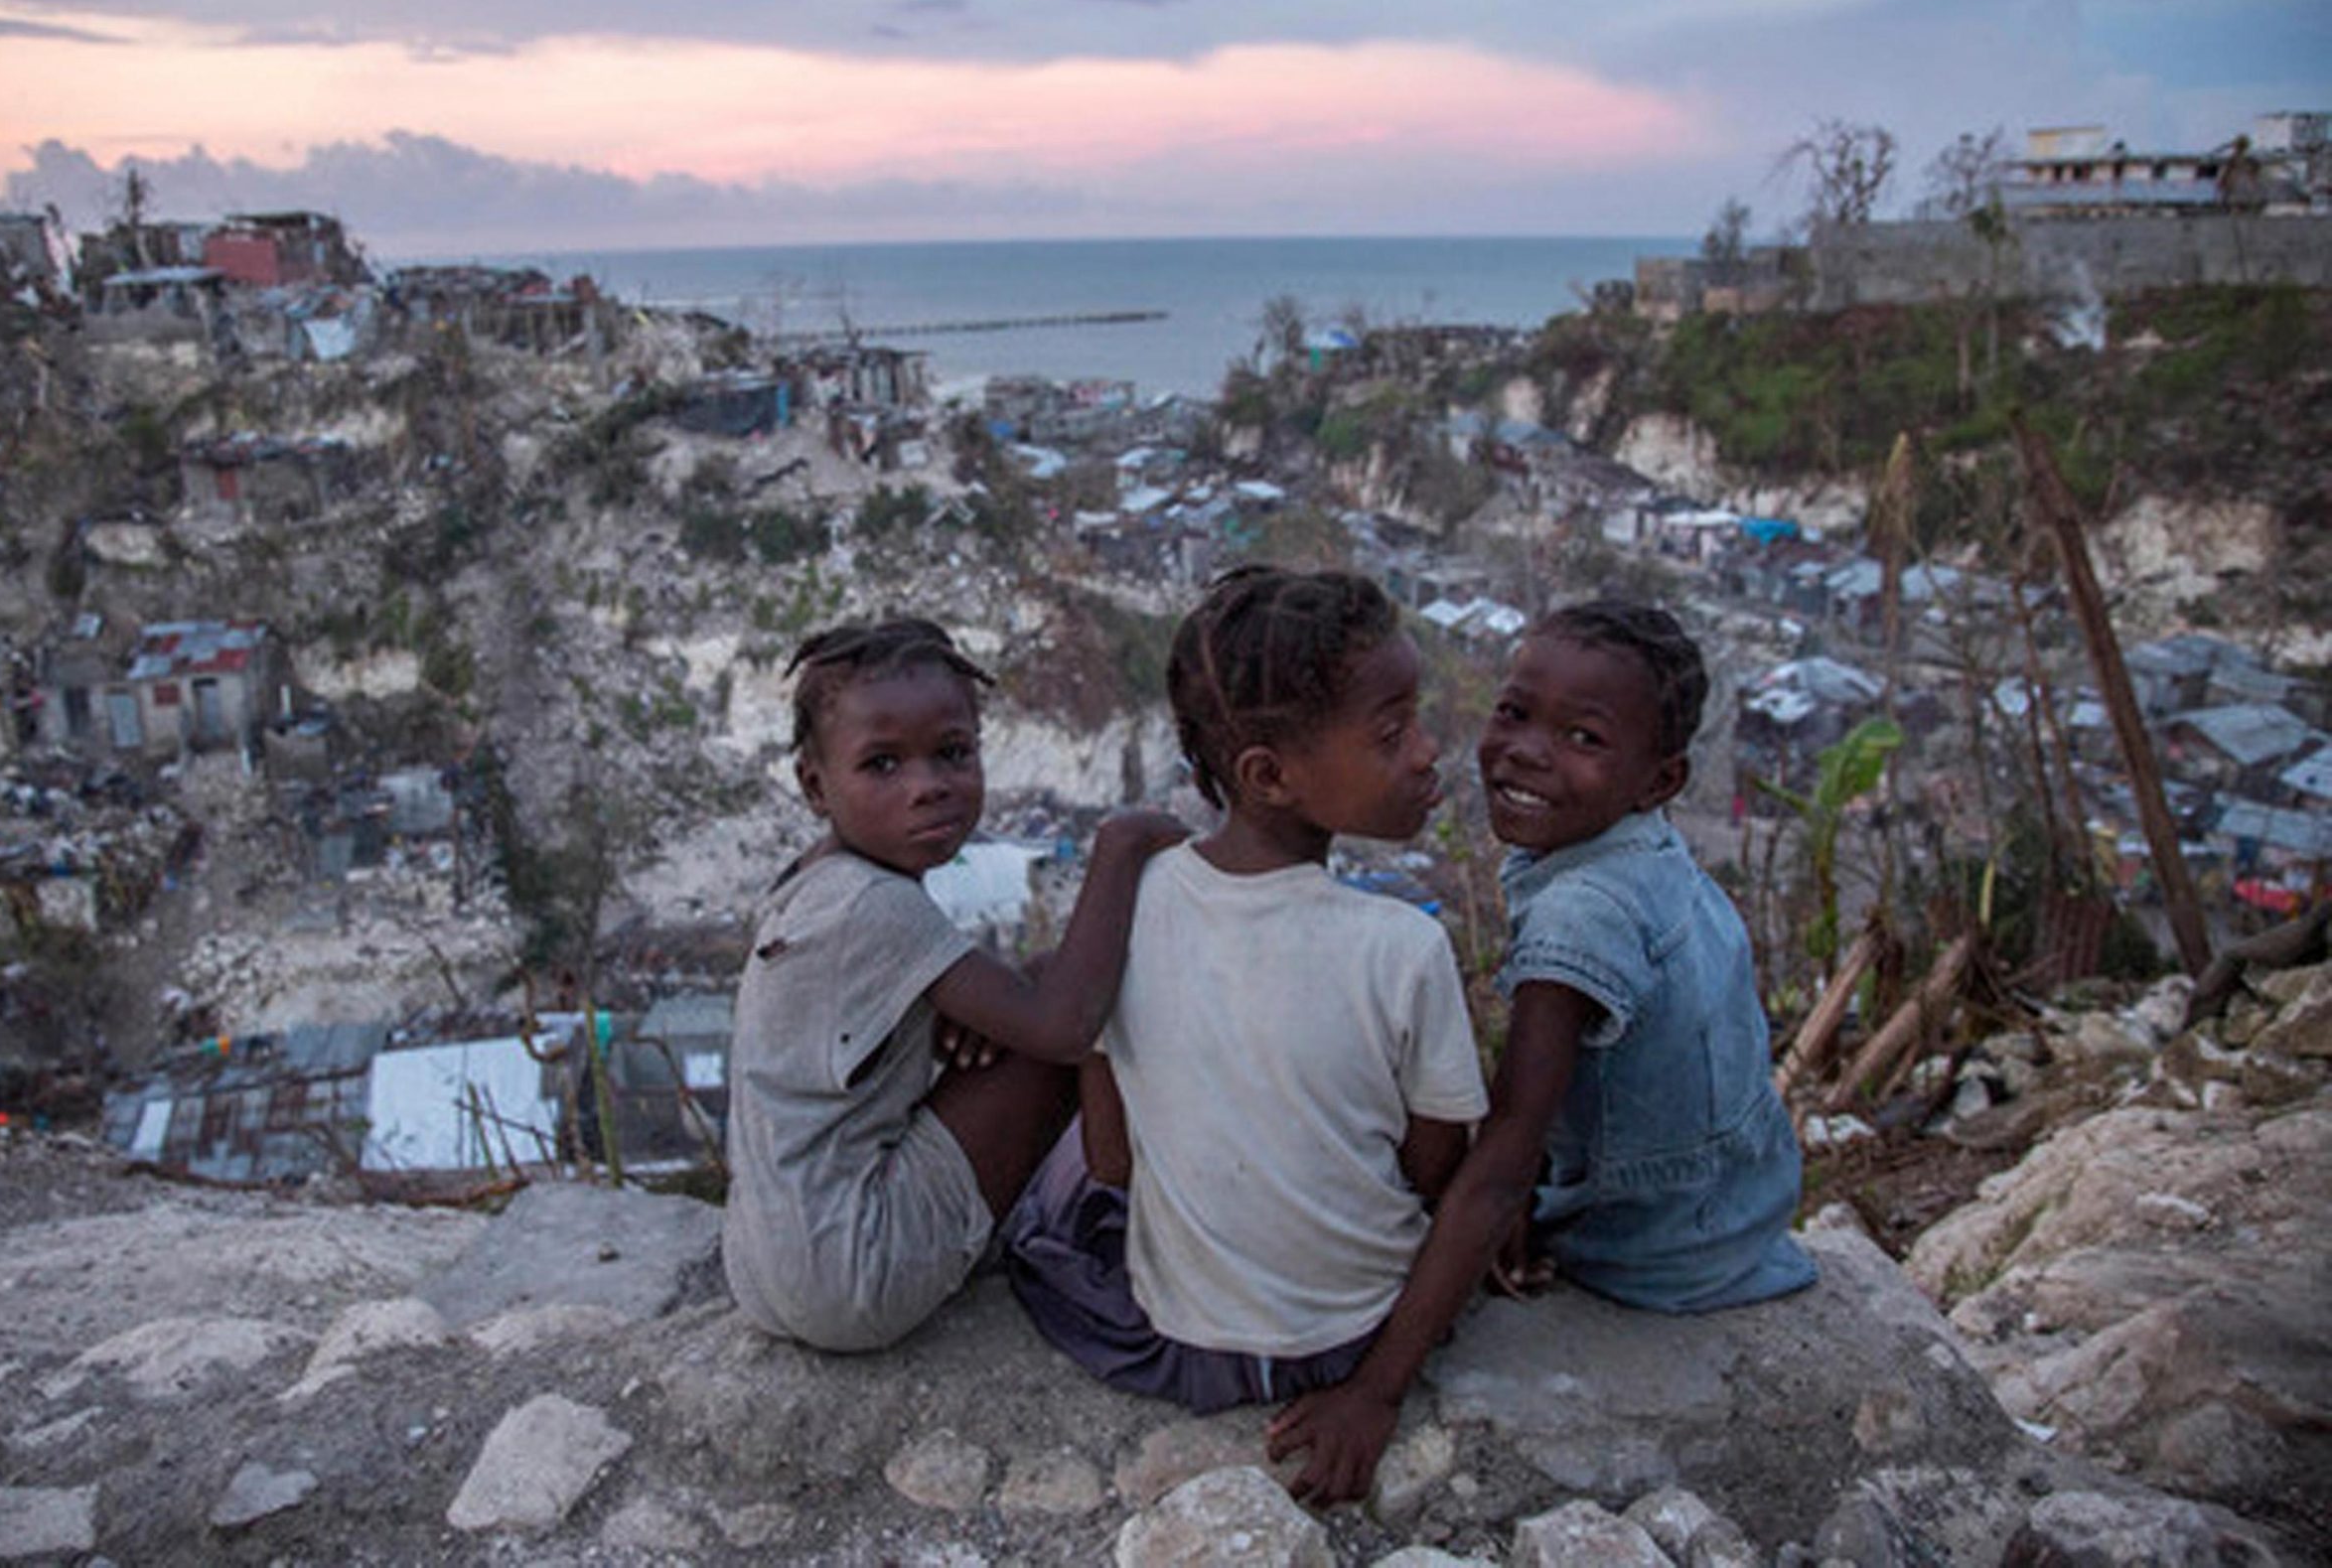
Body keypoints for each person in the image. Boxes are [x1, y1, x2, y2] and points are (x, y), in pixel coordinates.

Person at [1268, 600, 1818, 1503]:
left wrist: (1375, 1390)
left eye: (1583, 736)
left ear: (1658, 778)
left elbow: (1504, 1157)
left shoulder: (1582, 911)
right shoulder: (1650, 858)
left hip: (1651, 1246)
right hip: (1738, 1207)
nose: (1526, 750)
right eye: (1515, 713)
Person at [1007, 567, 1490, 1409]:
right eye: (1391, 733)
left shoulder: (1134, 906)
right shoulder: (1406, 947)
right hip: (1359, 1339)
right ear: (1269, 775)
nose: (1425, 751)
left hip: (1191, 1350)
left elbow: (1113, 1161)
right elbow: (1433, 1169)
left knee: (1053, 1211)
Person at [721, 617, 1184, 1353]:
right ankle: (1115, 1216)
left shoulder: (813, 881)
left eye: (953, 754)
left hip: (767, 1265)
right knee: (1064, 1013)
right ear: (815, 784)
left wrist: (952, 1011)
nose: (928, 787)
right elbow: (1065, 1025)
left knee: (1031, 989)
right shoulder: (879, 905)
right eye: (882, 765)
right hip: (854, 1272)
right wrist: (1120, 847)